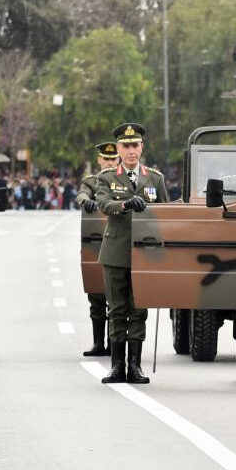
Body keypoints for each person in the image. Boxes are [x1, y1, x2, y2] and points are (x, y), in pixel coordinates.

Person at [94, 123, 169, 384]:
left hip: (146, 254)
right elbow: (103, 203)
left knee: (138, 310)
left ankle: (135, 366)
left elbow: (165, 214)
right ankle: (117, 366)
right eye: (125, 146)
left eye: (134, 145)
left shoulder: (155, 179)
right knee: (116, 309)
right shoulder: (106, 177)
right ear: (118, 149)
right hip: (116, 253)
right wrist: (125, 203)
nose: (130, 151)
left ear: (142, 147)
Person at [76, 142, 119, 357]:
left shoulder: (124, 182)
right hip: (95, 241)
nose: (110, 162)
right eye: (106, 159)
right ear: (100, 160)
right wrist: (86, 202)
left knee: (117, 298)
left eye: (113, 159)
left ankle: (115, 343)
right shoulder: (91, 182)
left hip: (119, 241)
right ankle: (98, 343)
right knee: (96, 296)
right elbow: (82, 194)